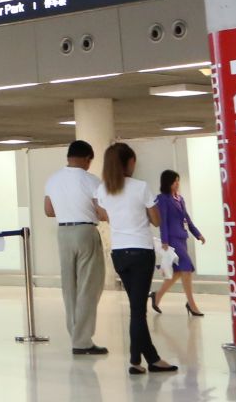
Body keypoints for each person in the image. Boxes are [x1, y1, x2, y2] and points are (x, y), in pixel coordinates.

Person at [94, 142, 176, 374]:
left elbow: (105, 216)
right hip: (140, 251)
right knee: (138, 310)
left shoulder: (103, 190)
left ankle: (145, 358)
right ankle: (139, 360)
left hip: (119, 253)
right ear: (129, 162)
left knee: (136, 306)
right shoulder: (140, 187)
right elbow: (156, 221)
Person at [44, 140, 107, 355]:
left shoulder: (53, 179)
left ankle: (75, 334)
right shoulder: (91, 181)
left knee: (69, 287)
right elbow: (101, 212)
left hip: (63, 233)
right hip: (85, 232)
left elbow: (49, 210)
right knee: (89, 286)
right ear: (86, 158)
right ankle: (83, 341)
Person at [151, 170, 204, 315]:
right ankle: (191, 304)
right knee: (186, 268)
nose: (177, 183)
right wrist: (165, 240)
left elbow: (187, 218)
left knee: (178, 273)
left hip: (182, 238)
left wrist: (197, 233)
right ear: (168, 183)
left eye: (178, 180)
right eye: (175, 181)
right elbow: (163, 222)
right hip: (172, 240)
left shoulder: (180, 199)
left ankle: (157, 296)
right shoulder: (162, 199)